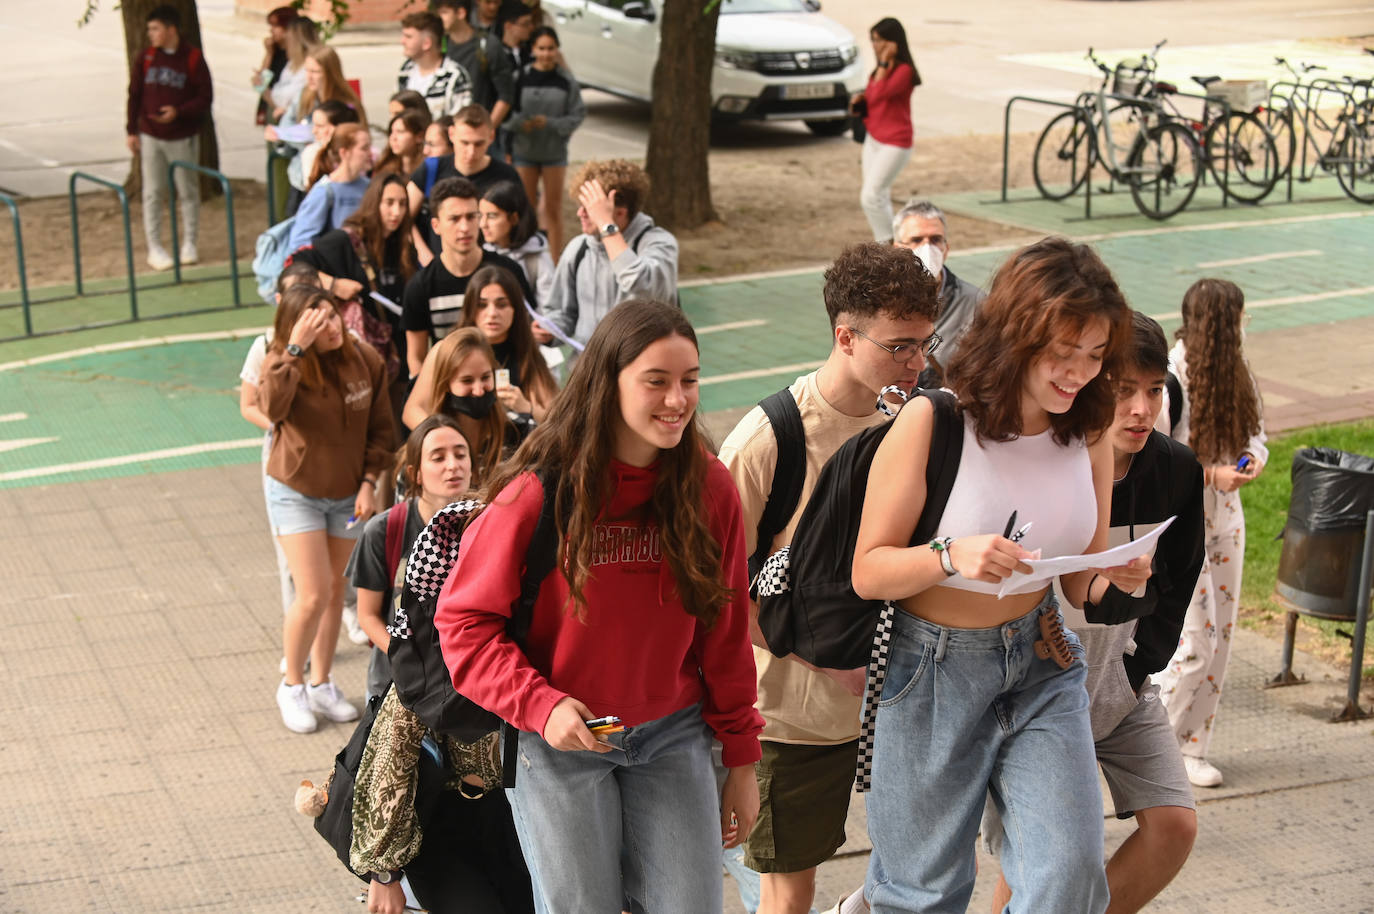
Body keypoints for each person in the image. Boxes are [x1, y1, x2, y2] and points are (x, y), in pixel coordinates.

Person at [846, 237, 1148, 914]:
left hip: (1041, 662)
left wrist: (1121, 578)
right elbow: (868, 570)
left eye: (1095, 355)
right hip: (931, 671)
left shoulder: (1089, 429)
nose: (1078, 374)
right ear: (1018, 335)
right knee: (920, 896)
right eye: (1062, 353)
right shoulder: (936, 419)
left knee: (1069, 878)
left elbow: (1080, 586)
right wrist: (953, 554)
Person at [434, 299, 764, 914]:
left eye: (689, 381)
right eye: (656, 382)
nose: (677, 400)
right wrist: (541, 704)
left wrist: (742, 761)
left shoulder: (707, 486)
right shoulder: (537, 491)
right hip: (560, 745)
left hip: (672, 737)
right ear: (607, 382)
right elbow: (463, 626)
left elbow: (725, 631)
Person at [718, 244, 940, 914]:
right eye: (901, 346)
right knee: (789, 892)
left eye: (926, 344)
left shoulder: (912, 422)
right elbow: (716, 594)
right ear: (846, 337)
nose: (917, 363)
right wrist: (819, 659)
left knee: (918, 871)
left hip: (897, 705)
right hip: (792, 718)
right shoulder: (770, 440)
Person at [984, 311, 1205, 914]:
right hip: (1038, 684)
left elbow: (1182, 575)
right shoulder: (1053, 461)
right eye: (1124, 390)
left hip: (1123, 681)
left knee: (1174, 825)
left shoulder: (1176, 469)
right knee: (1037, 859)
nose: (1141, 409)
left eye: (1155, 390)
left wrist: (1142, 664)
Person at [257, 284, 395, 734]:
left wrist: (369, 481)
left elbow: (381, 430)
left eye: (333, 316)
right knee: (313, 592)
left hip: (347, 493)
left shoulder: (365, 361)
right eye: (317, 321)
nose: (331, 327)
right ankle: (291, 685)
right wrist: (295, 347)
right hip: (294, 491)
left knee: (336, 591)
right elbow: (270, 407)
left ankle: (321, 682)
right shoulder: (285, 362)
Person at [1154, 278, 1267, 789]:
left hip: (1228, 518)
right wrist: (1211, 475)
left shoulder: (1235, 372)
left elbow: (1257, 434)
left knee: (1220, 639)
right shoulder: (1172, 378)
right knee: (1194, 641)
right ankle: (1154, 745)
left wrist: (1248, 460)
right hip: (1183, 524)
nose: (1246, 324)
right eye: (1240, 315)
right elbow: (1155, 463)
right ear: (1223, 322)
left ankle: (1191, 746)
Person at [349, 414, 472, 701]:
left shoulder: (486, 525)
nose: (453, 465)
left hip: (465, 689)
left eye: (460, 454)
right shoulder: (384, 530)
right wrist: (405, 655)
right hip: (397, 684)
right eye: (438, 458)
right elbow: (367, 615)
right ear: (416, 474)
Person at [288, 172, 418, 424]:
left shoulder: (402, 245)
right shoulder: (346, 241)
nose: (396, 211)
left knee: (395, 431)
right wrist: (335, 285)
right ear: (374, 203)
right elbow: (295, 265)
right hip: (357, 356)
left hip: (397, 357)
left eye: (402, 204)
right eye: (389, 203)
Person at [239, 262, 320, 632]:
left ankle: (347, 611)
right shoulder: (268, 346)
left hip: (332, 461)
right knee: (293, 560)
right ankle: (298, 636)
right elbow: (250, 405)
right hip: (286, 458)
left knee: (339, 556)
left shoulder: (341, 343)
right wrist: (285, 429)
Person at [402, 177, 533, 378]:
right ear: (436, 225)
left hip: (510, 385)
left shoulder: (509, 272)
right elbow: (416, 358)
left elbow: (527, 338)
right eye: (454, 219)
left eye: (471, 217)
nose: (464, 227)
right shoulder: (420, 286)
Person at [543, 159, 679, 351]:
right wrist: (549, 330)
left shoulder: (660, 244)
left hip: (638, 371)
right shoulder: (579, 249)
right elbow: (562, 312)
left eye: (589, 210)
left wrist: (606, 226)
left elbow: (643, 286)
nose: (579, 213)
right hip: (590, 372)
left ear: (620, 213)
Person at [125, 4, 213, 271]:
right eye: (149, 29)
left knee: (187, 190)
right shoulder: (147, 58)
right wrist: (131, 129)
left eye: (155, 28)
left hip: (182, 136)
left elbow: (204, 97)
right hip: (151, 135)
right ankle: (155, 247)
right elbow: (135, 93)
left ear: (170, 29)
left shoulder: (192, 59)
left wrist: (179, 112)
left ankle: (190, 243)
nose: (151, 34)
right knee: (153, 192)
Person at [402, 327, 528, 478]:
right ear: (446, 384)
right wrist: (449, 441)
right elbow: (411, 411)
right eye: (467, 380)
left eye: (485, 377)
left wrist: (528, 409)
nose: (479, 391)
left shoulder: (513, 433)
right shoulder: (442, 350)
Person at [407, 105, 524, 262]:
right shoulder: (431, 169)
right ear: (451, 134)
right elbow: (404, 217)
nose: (471, 152)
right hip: (438, 267)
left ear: (491, 137)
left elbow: (521, 224)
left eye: (478, 144)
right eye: (465, 143)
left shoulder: (507, 176)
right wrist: (423, 253)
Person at [508, 26, 585, 261]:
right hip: (524, 151)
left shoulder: (566, 81)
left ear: (557, 50)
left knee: (552, 209)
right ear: (533, 50)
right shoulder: (519, 77)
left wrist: (551, 124)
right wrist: (522, 124)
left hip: (554, 153)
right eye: (541, 48)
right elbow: (505, 114)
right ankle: (528, 258)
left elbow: (577, 115)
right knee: (527, 209)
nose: (546, 53)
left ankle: (554, 260)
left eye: (551, 48)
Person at [891, 200, 986, 388]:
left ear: (946, 248)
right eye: (917, 240)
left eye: (935, 240)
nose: (927, 248)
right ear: (898, 249)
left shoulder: (975, 304)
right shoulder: (879, 302)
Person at [459, 264, 558, 420]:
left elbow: (557, 420)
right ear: (470, 308)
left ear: (515, 309)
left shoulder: (527, 354)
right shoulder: (452, 351)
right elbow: (416, 409)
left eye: (501, 304)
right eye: (482, 305)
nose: (492, 314)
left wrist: (526, 407)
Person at [851, 18, 918, 243]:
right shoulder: (879, 71)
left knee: (870, 196)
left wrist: (883, 64)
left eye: (879, 40)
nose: (874, 45)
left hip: (895, 142)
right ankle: (888, 245)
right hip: (874, 138)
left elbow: (880, 94)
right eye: (872, 40)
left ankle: (889, 245)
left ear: (893, 42)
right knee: (880, 196)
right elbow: (871, 98)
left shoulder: (903, 71)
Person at [434, 0, 516, 142]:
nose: (440, 18)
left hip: (480, 137)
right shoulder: (441, 45)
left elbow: (506, 95)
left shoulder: (487, 45)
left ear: (460, 13)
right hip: (449, 137)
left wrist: (485, 132)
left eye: (444, 12)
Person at [287, 123, 374, 253]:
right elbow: (300, 243)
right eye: (364, 148)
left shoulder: (369, 186)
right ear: (344, 153)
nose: (370, 154)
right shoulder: (324, 192)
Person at [480, 180, 555, 306]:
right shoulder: (480, 254)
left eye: (492, 216)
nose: (483, 224)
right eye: (480, 215)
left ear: (514, 218)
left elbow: (548, 308)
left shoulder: (537, 260)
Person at [398, 11, 474, 120]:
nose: (402, 41)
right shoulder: (406, 70)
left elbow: (461, 122)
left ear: (426, 43)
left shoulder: (454, 76)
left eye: (409, 37)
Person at [252, 6, 297, 126]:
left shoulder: (294, 55)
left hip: (284, 106)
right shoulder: (274, 50)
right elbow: (263, 81)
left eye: (276, 26)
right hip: (270, 101)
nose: (271, 30)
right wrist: (269, 54)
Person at [374, 109, 431, 180]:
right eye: (392, 132)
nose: (393, 138)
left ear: (419, 136)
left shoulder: (429, 169)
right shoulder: (384, 169)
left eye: (400, 132)